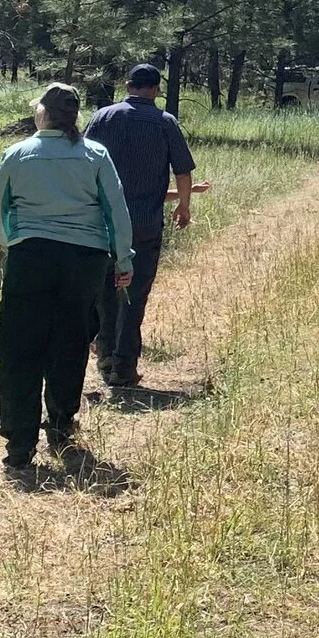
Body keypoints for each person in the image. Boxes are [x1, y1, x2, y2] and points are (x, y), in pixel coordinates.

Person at [0, 83, 134, 486]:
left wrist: (11, 242)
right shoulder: (95, 154)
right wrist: (123, 259)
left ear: (42, 114)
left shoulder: (18, 153)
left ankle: (19, 443)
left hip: (31, 257)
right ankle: (61, 425)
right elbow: (116, 209)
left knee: (19, 346)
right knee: (70, 340)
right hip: (85, 261)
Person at [83, 62, 200, 397]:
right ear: (156, 90)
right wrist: (184, 205)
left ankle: (105, 354)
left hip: (104, 224)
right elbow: (182, 171)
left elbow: (83, 160)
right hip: (144, 224)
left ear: (128, 85)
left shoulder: (103, 117)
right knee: (136, 293)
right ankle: (124, 365)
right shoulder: (164, 122)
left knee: (105, 290)